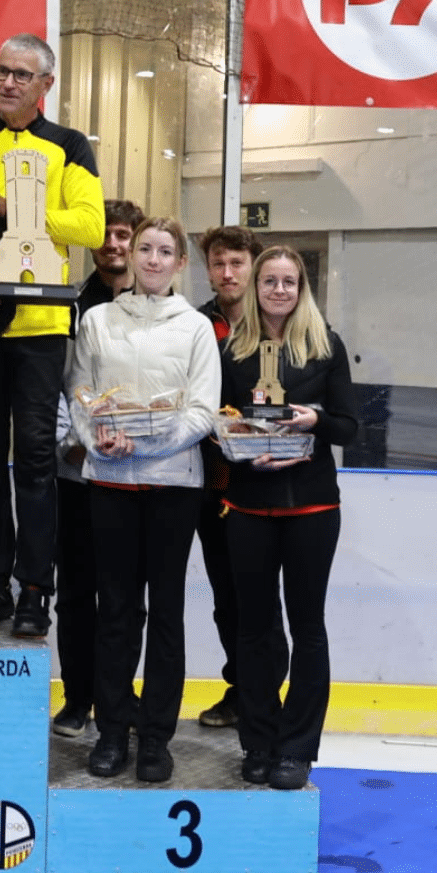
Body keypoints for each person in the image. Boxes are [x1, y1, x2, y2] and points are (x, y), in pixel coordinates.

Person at [0, 33, 106, 637]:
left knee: (38, 462)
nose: (9, 82)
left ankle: (34, 591)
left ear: (47, 84)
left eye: (22, 74)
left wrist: (12, 209)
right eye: (2, 72)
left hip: (42, 325)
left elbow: (90, 226)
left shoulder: (68, 145)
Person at [68, 217, 219, 782]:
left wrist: (146, 441)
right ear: (131, 258)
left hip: (173, 487)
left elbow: (203, 412)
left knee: (167, 617)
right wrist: (99, 438)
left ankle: (155, 738)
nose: (153, 260)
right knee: (116, 613)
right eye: (145, 250)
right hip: (109, 484)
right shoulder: (100, 321)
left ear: (180, 264)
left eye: (165, 252)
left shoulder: (196, 329)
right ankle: (111, 731)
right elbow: (79, 391)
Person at [220, 246, 358, 790]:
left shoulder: (326, 346)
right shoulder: (234, 351)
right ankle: (258, 741)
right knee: (253, 630)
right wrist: (238, 446)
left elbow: (348, 427)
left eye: (289, 282)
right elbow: (219, 426)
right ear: (255, 287)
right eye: (270, 281)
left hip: (312, 509)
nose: (279, 290)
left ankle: (297, 751)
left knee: (307, 629)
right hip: (249, 507)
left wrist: (315, 418)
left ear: (302, 289)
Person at [51, 198, 146, 737]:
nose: (115, 244)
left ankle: (119, 697)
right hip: (77, 471)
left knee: (127, 597)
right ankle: (77, 698)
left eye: (125, 235)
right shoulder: (69, 302)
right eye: (107, 235)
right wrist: (77, 442)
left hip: (136, 472)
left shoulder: (157, 305)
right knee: (77, 592)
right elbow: (58, 384)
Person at [194, 226, 290, 730]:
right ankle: (242, 689)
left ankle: (267, 697)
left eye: (237, 263)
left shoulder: (279, 325)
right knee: (226, 598)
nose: (227, 273)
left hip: (265, 484)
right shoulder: (194, 324)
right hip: (212, 482)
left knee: (262, 598)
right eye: (218, 264)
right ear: (208, 269)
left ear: (252, 266)